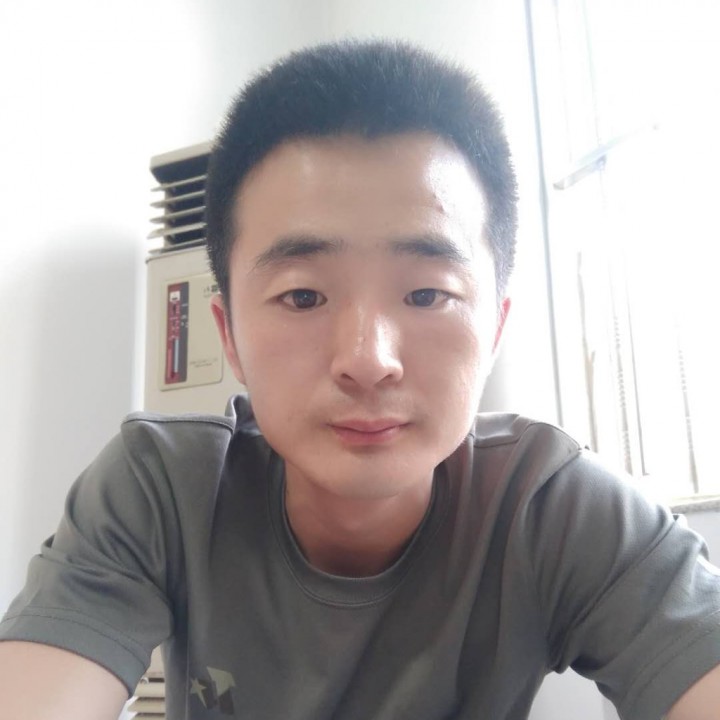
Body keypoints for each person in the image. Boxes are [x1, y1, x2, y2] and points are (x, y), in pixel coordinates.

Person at [0, 40, 719, 720]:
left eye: (427, 293)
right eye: (303, 295)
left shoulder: (555, 510)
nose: (368, 359)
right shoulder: (162, 489)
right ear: (230, 337)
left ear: (495, 328)